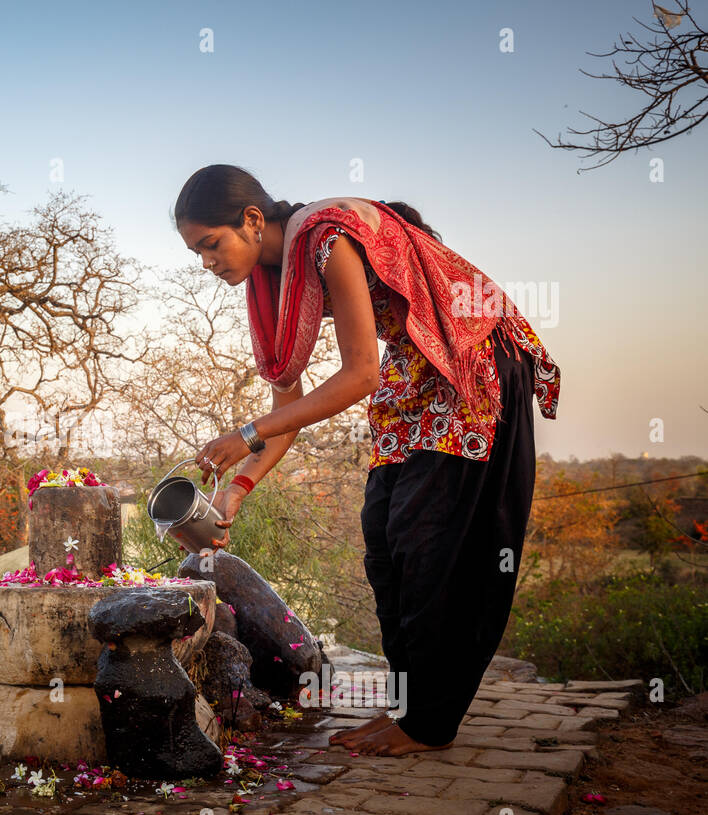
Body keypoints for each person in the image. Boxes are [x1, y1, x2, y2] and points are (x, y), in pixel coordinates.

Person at [174, 165, 560, 757]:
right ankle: (410, 708)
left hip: (468, 358)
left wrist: (246, 431)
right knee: (384, 544)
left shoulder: (326, 240)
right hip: (418, 371)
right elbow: (292, 411)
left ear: (252, 220)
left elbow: (359, 375)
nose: (207, 262)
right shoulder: (274, 282)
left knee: (426, 547)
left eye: (210, 244)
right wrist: (238, 488)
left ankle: (428, 722)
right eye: (197, 252)